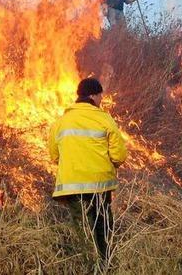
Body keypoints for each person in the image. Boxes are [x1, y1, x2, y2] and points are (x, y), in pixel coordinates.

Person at [48, 77, 128, 265]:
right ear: (93, 95)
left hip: (73, 188)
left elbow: (54, 156)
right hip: (100, 186)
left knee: (84, 230)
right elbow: (119, 155)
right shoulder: (104, 119)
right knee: (103, 227)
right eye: (101, 96)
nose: (101, 100)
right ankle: (106, 265)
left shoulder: (61, 122)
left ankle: (90, 266)